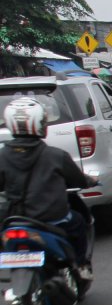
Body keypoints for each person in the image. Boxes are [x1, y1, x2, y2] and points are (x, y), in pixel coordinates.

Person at [0, 98, 98, 279]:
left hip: (15, 219)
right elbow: (78, 180)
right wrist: (90, 181)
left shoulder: (2, 156)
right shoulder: (56, 155)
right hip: (52, 219)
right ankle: (81, 265)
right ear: (40, 124)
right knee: (78, 221)